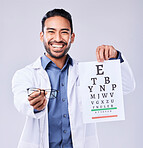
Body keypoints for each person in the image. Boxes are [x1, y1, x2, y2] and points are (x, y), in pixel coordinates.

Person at [12, 8, 135, 148]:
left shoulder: (86, 73)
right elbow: (21, 100)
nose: (57, 38)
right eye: (51, 32)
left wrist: (116, 58)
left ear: (72, 37)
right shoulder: (26, 74)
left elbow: (127, 86)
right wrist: (33, 103)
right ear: (42, 36)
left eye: (64, 32)